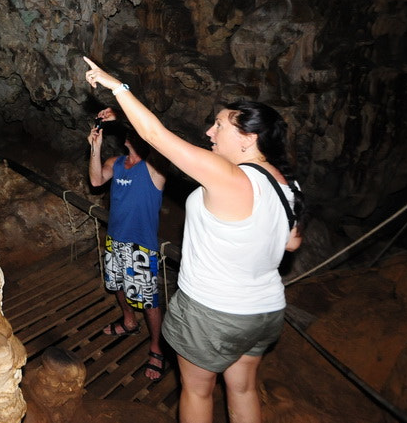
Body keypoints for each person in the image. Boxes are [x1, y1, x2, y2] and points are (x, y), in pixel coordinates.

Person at [83, 56, 303, 423]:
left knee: (198, 393)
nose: (209, 133)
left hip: (214, 310)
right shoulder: (285, 183)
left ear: (248, 139)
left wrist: (116, 86)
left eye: (218, 126)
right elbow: (291, 243)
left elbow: (155, 136)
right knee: (243, 388)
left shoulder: (228, 175)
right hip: (263, 311)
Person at [87, 107, 167, 380]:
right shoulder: (116, 162)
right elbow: (96, 180)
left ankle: (156, 347)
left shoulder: (155, 168)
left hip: (141, 245)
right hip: (115, 238)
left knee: (148, 300)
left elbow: (156, 134)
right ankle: (128, 321)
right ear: (126, 139)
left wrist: (120, 116)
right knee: (118, 285)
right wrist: (95, 148)